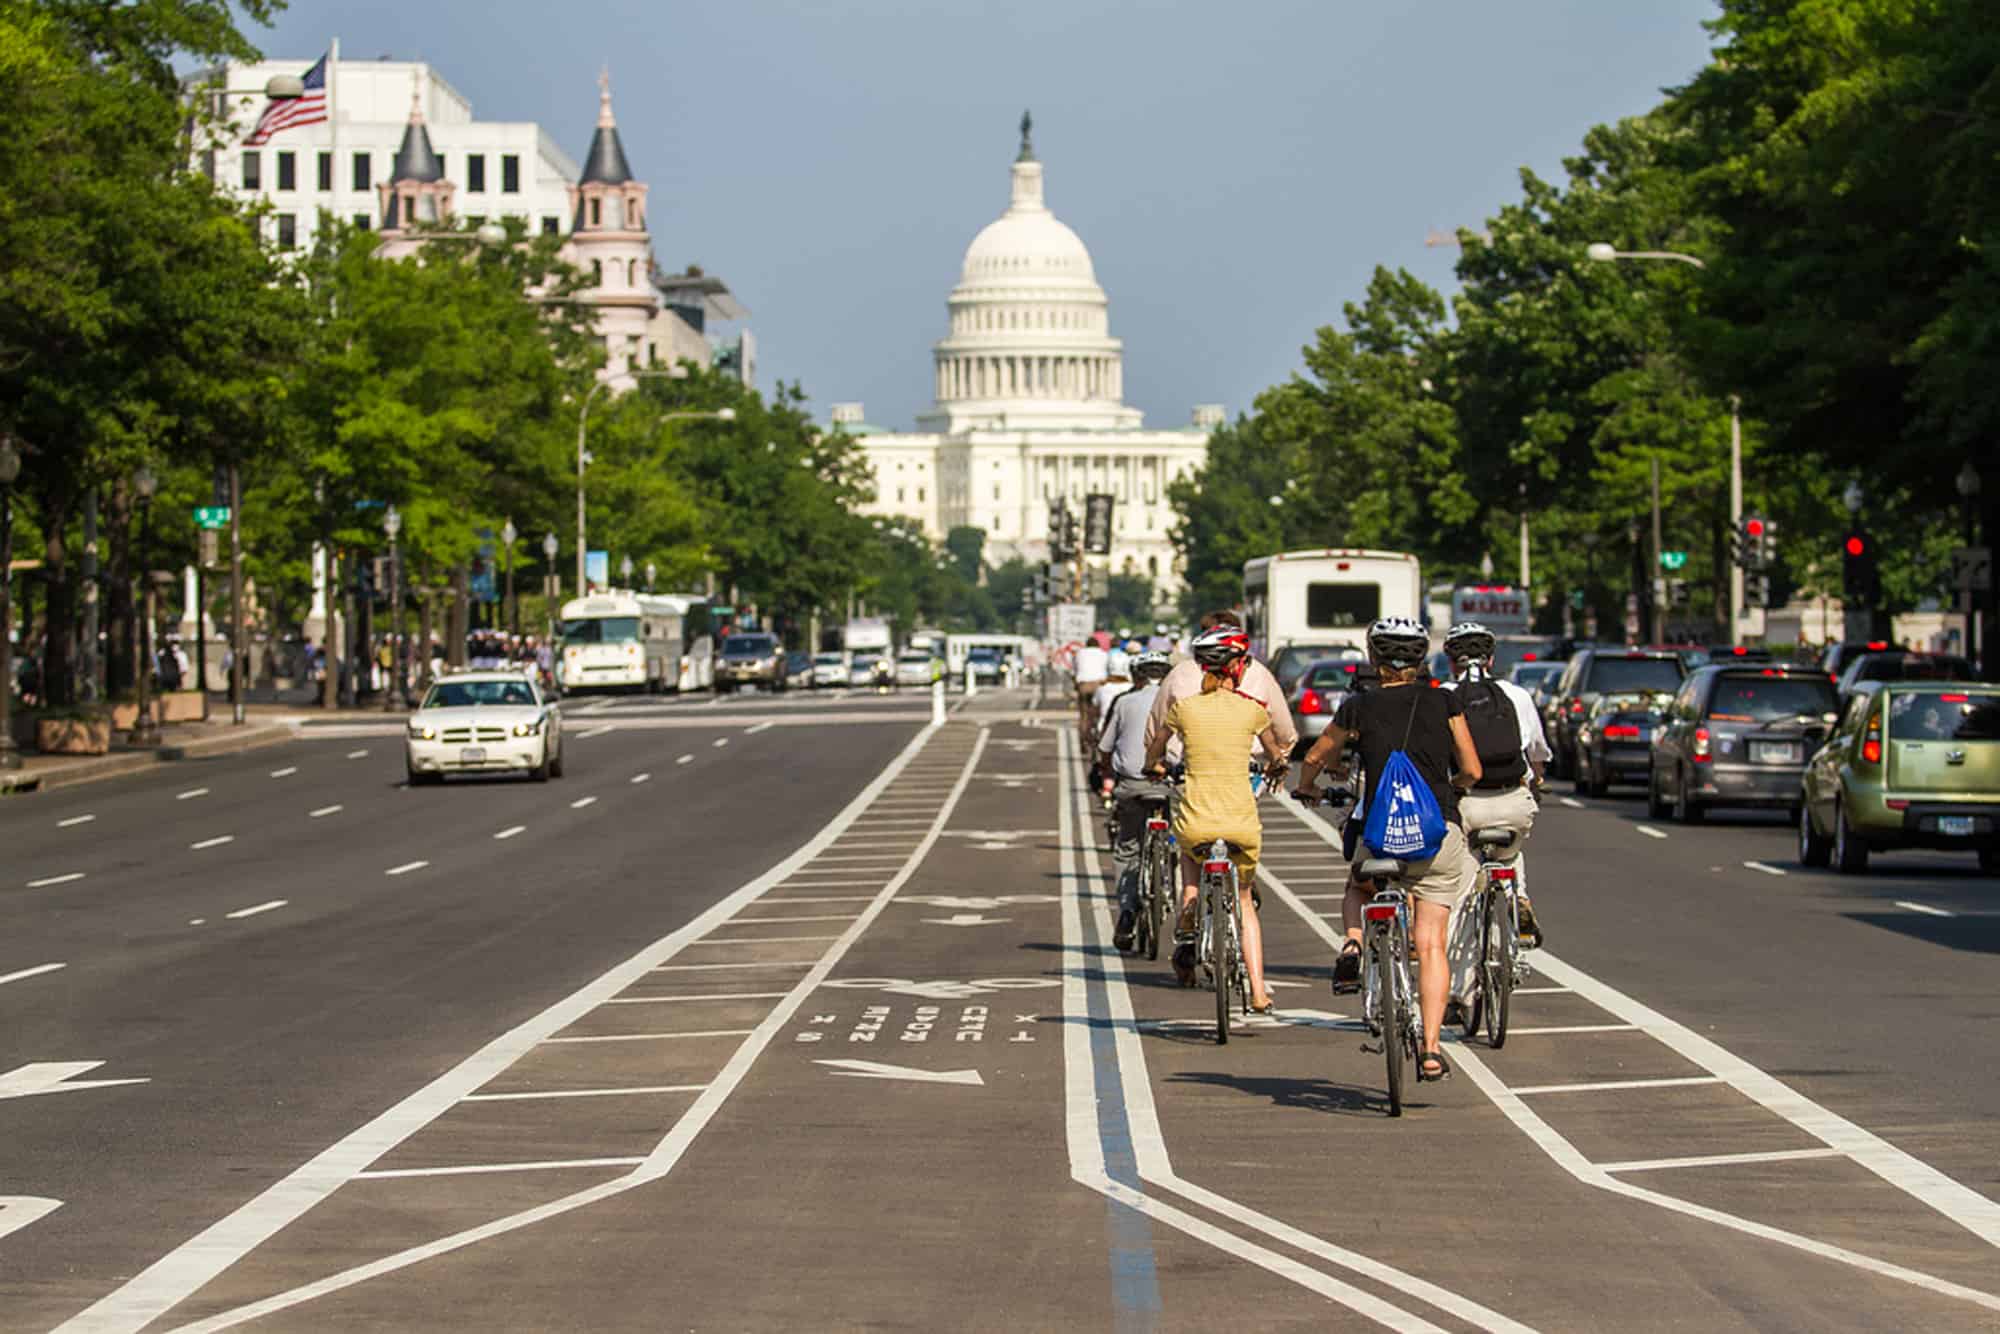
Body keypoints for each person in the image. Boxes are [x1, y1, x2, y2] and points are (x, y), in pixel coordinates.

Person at [1293, 616, 1481, 1083]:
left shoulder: (1359, 706)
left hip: (1380, 835)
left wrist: (1310, 786)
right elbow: (1472, 768)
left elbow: (1315, 756)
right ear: (1422, 660)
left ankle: (1356, 941)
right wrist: (1449, 791)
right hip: (1437, 834)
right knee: (1431, 943)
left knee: (1360, 882)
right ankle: (1432, 1048)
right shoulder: (1445, 701)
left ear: (1374, 659)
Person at [1144, 626, 1288, 1011]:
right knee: (1244, 903)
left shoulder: (1185, 708)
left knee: (1191, 862)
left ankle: (1190, 904)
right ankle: (1258, 990)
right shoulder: (1251, 709)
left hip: (1197, 819)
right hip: (1240, 820)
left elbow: (1157, 742)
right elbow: (1275, 751)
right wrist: (1277, 766)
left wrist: (1152, 765)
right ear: (1237, 669)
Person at [1440, 622, 1549, 952]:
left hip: (1466, 804)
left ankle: (1460, 991)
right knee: (1510, 849)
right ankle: (1519, 898)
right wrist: (1537, 781)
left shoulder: (1443, 696)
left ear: (1451, 661)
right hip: (1513, 801)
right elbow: (1538, 752)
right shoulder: (1517, 695)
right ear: (1490, 660)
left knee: (1460, 884)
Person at [1144, 610, 1297, 768]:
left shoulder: (1180, 682)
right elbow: (1284, 733)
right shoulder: (1255, 694)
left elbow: (1156, 731)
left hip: (1190, 768)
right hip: (1246, 771)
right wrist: (1278, 762)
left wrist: (1153, 763)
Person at [1097, 650, 1176, 950]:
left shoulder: (1125, 702)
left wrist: (1105, 770)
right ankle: (1168, 872)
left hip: (1131, 784)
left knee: (1127, 848)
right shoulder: (1178, 702)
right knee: (1180, 839)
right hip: (1167, 783)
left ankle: (1128, 911)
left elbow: (1105, 748)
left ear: (1136, 676)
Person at [1073, 636, 1110, 749]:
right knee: (1100, 713)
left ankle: (1083, 740)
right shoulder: (1103, 654)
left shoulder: (1079, 653)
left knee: (1084, 714)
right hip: (1099, 684)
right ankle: (1098, 736)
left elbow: (1075, 671)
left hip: (1083, 684)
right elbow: (1107, 670)